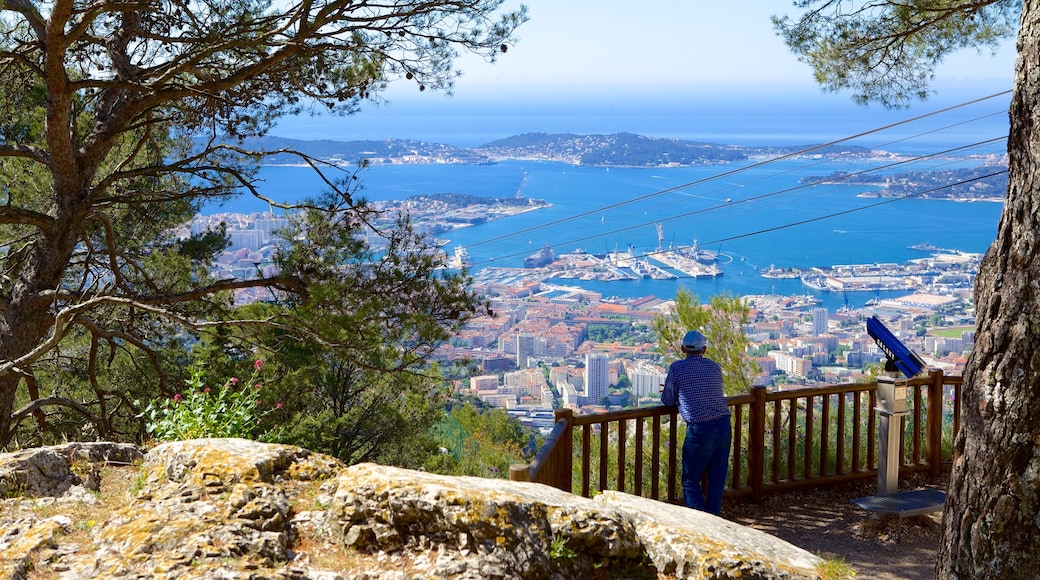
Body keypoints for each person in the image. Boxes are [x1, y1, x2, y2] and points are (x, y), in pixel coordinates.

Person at [660, 330, 732, 515]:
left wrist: (675, 390)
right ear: (704, 349)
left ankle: (700, 523)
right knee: (717, 477)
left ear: (683, 348)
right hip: (723, 424)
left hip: (700, 428)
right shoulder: (715, 367)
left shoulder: (677, 368)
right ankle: (714, 519)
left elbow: (668, 400)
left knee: (690, 480)